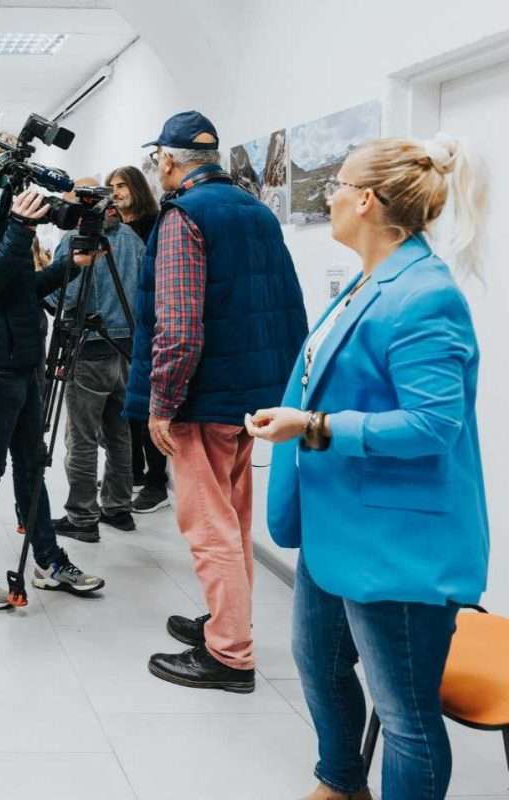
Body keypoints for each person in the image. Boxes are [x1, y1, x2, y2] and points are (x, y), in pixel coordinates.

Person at [248, 136, 489, 800]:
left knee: (405, 716)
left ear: (367, 200)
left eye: (338, 186)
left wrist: (314, 426)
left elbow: (433, 425)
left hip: (396, 544)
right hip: (340, 525)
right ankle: (340, 782)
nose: (329, 197)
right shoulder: (370, 281)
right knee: (318, 663)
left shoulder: (425, 295)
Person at [123, 110, 307, 693]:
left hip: (202, 397)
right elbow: (282, 305)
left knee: (209, 528)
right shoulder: (255, 210)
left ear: (168, 161)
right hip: (251, 394)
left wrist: (162, 402)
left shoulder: (185, 216)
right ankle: (228, 621)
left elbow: (178, 327)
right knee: (233, 517)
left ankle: (229, 654)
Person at [0, 186, 106, 610]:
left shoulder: (3, 228)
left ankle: (48, 562)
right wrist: (18, 228)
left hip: (23, 363)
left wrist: (67, 266)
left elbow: (22, 290)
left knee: (32, 464)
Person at [49, 209, 146, 542]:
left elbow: (64, 294)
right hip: (127, 347)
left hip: (90, 346)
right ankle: (118, 508)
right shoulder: (132, 239)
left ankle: (82, 516)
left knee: (81, 437)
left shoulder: (76, 241)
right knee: (120, 434)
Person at [107, 165, 169, 513]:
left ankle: (157, 482)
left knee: (147, 405)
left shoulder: (155, 224)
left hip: (150, 323)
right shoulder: (114, 230)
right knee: (126, 406)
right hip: (121, 327)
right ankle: (132, 472)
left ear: (137, 188)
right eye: (112, 187)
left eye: (122, 185)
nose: (116, 192)